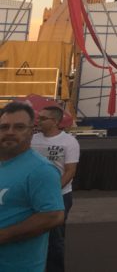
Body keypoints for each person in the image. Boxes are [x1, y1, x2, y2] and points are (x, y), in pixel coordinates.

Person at [0, 102, 65, 272]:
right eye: (4, 127)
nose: (10, 132)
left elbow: (53, 216)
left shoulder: (41, 169)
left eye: (19, 127)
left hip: (16, 266)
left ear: (31, 131)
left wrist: (3, 236)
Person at [31, 105, 79, 272]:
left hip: (59, 196)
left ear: (55, 121)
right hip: (33, 196)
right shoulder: (32, 139)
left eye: (43, 118)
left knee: (55, 239)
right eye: (38, 118)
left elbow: (70, 171)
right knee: (31, 235)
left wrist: (51, 192)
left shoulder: (69, 142)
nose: (38, 121)